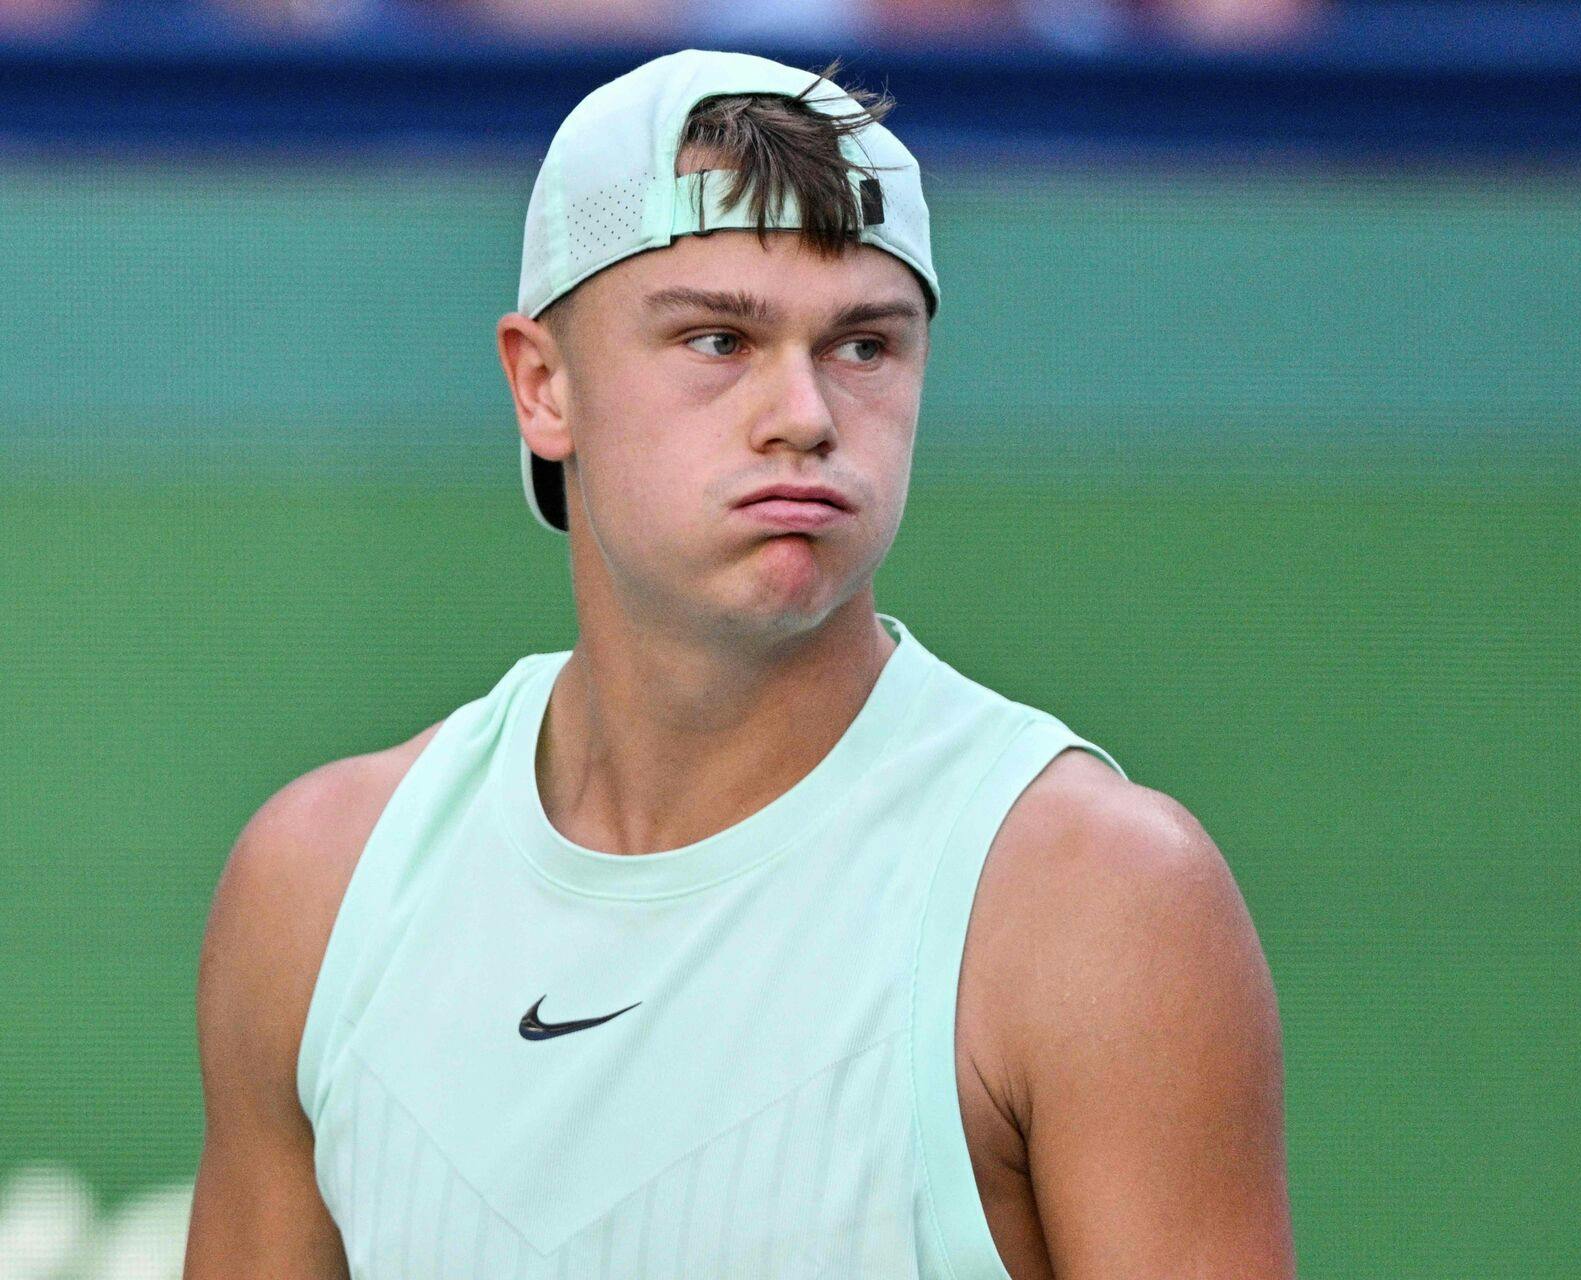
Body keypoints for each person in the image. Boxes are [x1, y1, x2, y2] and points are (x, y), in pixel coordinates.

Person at [184, 49, 1296, 1278]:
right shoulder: (319, 885)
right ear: (542, 384)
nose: (808, 413)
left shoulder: (1103, 899)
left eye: (865, 346)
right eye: (719, 338)